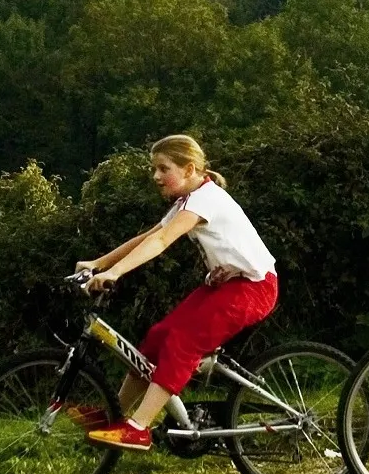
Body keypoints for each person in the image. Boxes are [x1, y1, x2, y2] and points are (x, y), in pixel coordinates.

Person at [70, 134, 279, 451]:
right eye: (154, 168)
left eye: (162, 168)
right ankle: (114, 416)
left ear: (189, 168)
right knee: (157, 337)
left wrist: (115, 272)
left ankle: (139, 428)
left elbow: (162, 241)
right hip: (226, 285)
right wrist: (99, 263)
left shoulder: (206, 199)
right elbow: (149, 236)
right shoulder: (189, 200)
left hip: (254, 288)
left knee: (182, 342)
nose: (155, 176)